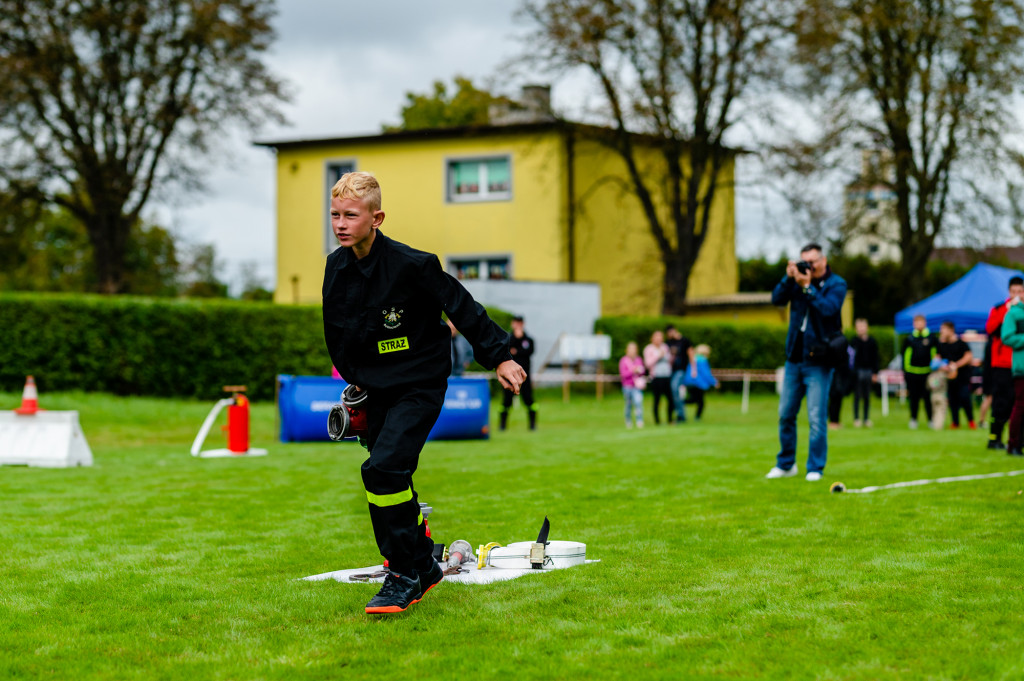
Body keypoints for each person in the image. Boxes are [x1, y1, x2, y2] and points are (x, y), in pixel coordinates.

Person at [322, 171, 526, 614]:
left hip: (419, 385)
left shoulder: (414, 264)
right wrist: (353, 382)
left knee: (383, 470)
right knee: (388, 477)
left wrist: (501, 357)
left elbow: (463, 307)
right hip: (372, 391)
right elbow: (339, 331)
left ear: (376, 218)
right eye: (334, 214)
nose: (339, 223)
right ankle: (423, 564)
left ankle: (402, 575)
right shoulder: (334, 266)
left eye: (350, 216)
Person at [766, 242, 848, 482]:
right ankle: (785, 464)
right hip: (794, 358)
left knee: (816, 418)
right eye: (804, 262)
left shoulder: (836, 284)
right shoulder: (797, 280)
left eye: (812, 262)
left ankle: (815, 468)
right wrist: (787, 277)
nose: (808, 266)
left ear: (823, 261)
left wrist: (808, 287)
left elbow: (828, 309)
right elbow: (776, 299)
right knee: (786, 414)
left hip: (819, 362)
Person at [983, 276, 1024, 448]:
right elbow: (990, 329)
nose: (1017, 294)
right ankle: (995, 437)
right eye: (1013, 291)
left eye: (1020, 291)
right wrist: (1006, 312)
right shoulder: (1000, 308)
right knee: (1001, 401)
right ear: (1009, 292)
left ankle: (1015, 439)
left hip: (1017, 364)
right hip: (1001, 363)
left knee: (1017, 402)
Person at [936, 321, 975, 429]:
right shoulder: (942, 345)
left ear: (950, 330)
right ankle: (955, 422)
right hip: (949, 377)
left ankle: (971, 421)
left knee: (965, 398)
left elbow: (968, 357)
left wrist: (956, 365)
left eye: (943, 329)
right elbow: (937, 358)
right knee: (952, 400)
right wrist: (941, 366)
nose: (941, 332)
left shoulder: (961, 343)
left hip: (962, 377)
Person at [500, 315, 536, 430]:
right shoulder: (508, 338)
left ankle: (532, 425)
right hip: (509, 376)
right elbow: (508, 351)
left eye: (520, 323)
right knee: (506, 401)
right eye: (516, 323)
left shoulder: (528, 339)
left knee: (529, 399)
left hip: (525, 376)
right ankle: (503, 425)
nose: (518, 325)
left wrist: (516, 351)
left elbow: (529, 351)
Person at [901, 315, 936, 429]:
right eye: (917, 322)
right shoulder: (910, 338)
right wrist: (906, 372)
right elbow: (904, 356)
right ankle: (913, 419)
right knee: (913, 398)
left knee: (927, 398)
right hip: (912, 373)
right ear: (914, 324)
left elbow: (935, 355)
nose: (919, 324)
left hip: (927, 373)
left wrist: (934, 370)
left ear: (925, 323)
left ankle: (930, 420)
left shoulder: (931, 338)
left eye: (921, 322)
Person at [999, 297, 1024, 456]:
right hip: (1022, 367)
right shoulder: (1014, 313)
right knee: (1021, 406)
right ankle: (1013, 444)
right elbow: (1006, 337)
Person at [849, 318, 879, 427]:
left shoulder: (872, 341)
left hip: (868, 372)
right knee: (857, 396)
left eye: (863, 326)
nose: (861, 329)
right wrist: (853, 372)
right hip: (857, 372)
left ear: (867, 328)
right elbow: (851, 358)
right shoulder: (854, 341)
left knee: (867, 396)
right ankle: (856, 418)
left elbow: (875, 358)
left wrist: (875, 373)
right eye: (859, 327)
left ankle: (866, 419)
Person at [643, 330, 674, 425]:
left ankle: (670, 419)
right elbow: (647, 364)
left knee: (670, 399)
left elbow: (670, 361)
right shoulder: (649, 349)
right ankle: (657, 421)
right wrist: (658, 356)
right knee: (657, 399)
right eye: (657, 337)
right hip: (656, 377)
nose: (659, 339)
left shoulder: (665, 347)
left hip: (667, 376)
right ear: (652, 338)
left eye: (660, 337)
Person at [682, 344, 719, 420]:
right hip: (698, 383)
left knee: (695, 400)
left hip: (689, 383)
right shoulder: (702, 360)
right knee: (699, 402)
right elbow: (706, 373)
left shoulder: (693, 359)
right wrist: (714, 382)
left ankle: (680, 404)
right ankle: (697, 417)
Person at [666, 325, 694, 423]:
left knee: (675, 389)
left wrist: (694, 369)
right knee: (674, 393)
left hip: (681, 370)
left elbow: (691, 354)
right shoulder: (669, 342)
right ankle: (678, 414)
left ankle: (680, 414)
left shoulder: (684, 341)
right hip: (670, 371)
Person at [619, 341, 646, 428]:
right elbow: (623, 374)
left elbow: (642, 372)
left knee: (638, 403)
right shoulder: (623, 360)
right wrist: (632, 371)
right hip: (627, 386)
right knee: (628, 404)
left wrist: (639, 371)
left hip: (637, 386)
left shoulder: (638, 360)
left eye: (634, 349)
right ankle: (628, 420)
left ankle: (639, 420)